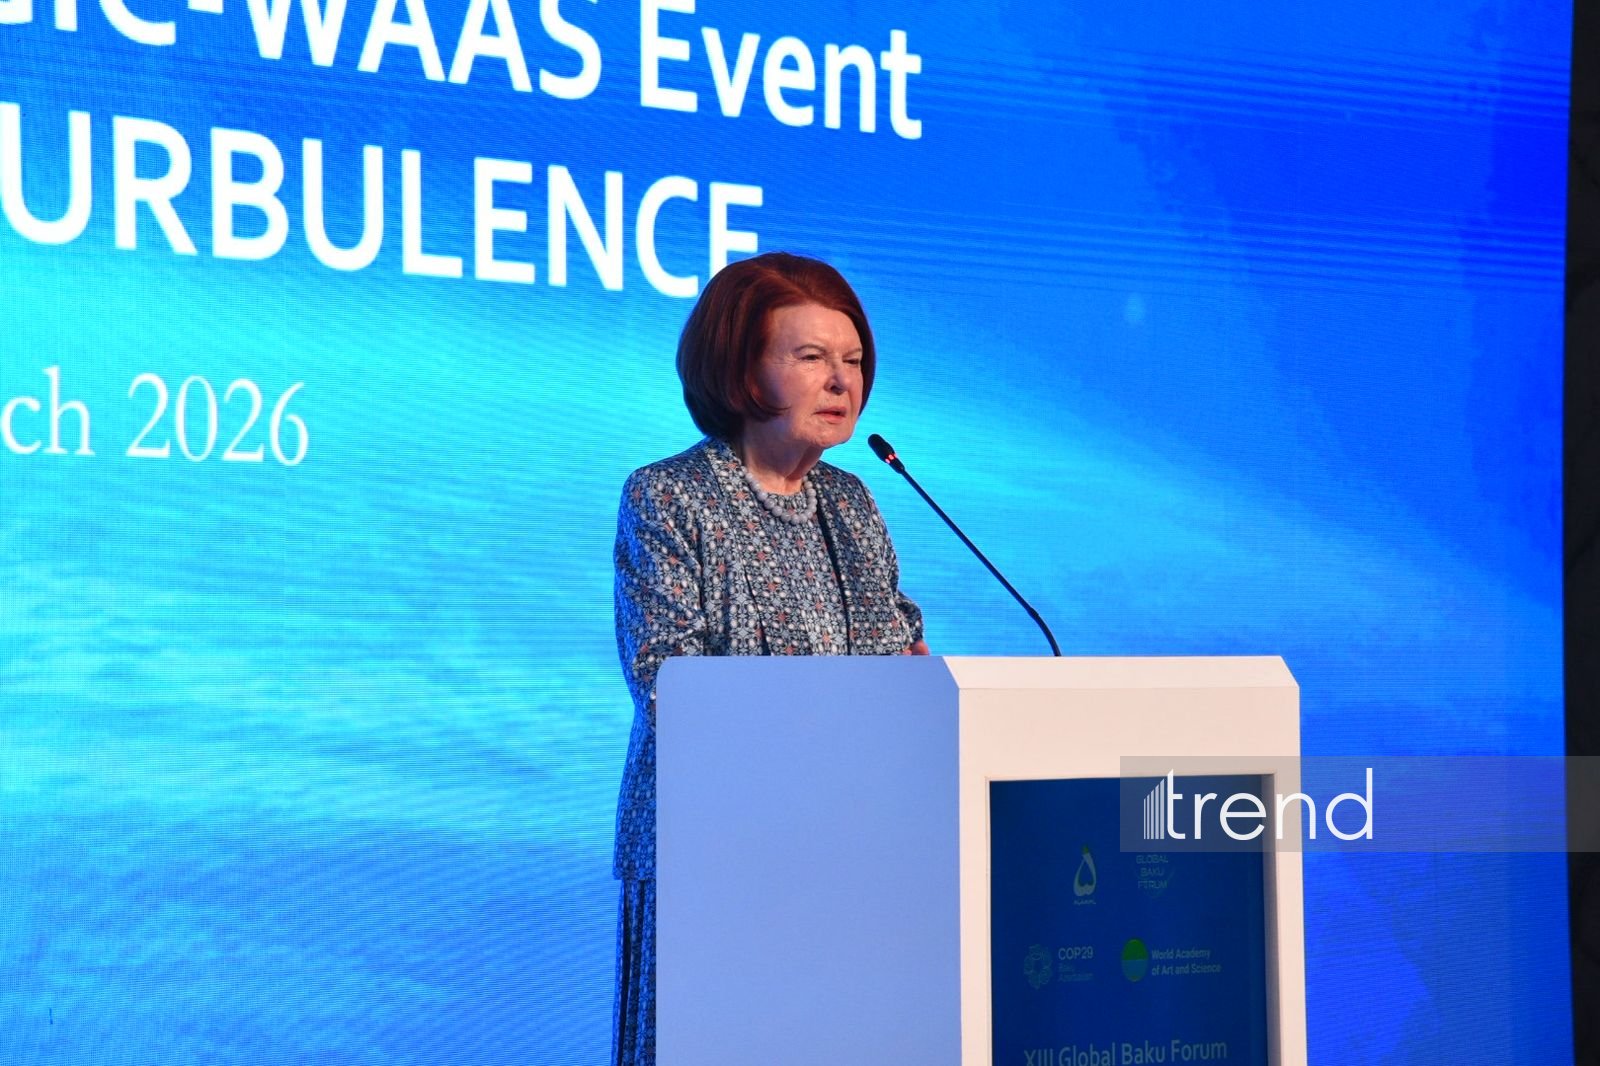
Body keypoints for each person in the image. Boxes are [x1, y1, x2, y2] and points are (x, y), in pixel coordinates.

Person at [610, 252, 928, 1065]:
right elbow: (668, 680)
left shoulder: (851, 501)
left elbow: (895, 653)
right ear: (742, 369)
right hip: (710, 848)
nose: (842, 381)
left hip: (849, 848)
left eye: (853, 359)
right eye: (812, 357)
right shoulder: (668, 496)